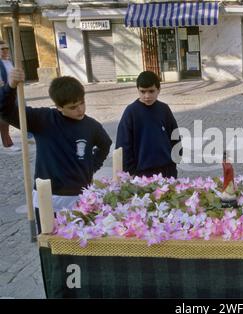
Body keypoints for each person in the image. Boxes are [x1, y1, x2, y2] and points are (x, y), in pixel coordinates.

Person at [0, 68, 112, 233]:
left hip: (79, 197)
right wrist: (10, 87)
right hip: (47, 198)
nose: (80, 109)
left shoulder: (91, 126)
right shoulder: (43, 119)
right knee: (50, 246)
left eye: (82, 102)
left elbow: (105, 144)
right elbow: (5, 111)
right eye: (73, 107)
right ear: (59, 107)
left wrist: (91, 166)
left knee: (78, 243)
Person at [116, 71, 182, 178]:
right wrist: (131, 172)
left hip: (167, 170)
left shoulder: (164, 109)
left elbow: (174, 135)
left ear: (159, 90)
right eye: (143, 91)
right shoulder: (131, 112)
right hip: (142, 173)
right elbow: (123, 144)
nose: (147, 96)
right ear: (137, 90)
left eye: (151, 91)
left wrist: (176, 159)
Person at [0, 40, 20, 152]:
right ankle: (7, 144)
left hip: (13, 92)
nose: (5, 50)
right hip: (3, 93)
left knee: (19, 113)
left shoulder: (9, 62)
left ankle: (29, 135)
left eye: (6, 48)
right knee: (3, 120)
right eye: (2, 49)